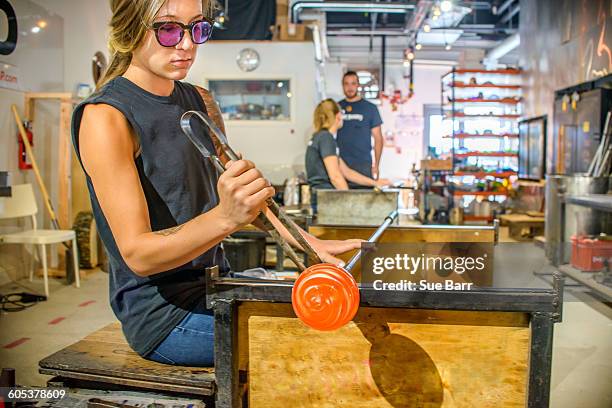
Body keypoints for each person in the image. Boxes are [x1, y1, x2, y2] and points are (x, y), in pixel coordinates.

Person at [72, 0, 361, 367]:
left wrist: (309, 244)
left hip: (216, 285)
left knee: (336, 317)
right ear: (129, 28)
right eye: (169, 29)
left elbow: (247, 198)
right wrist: (226, 217)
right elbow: (138, 254)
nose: (187, 45)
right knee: (319, 345)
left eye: (198, 28)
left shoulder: (199, 100)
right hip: (165, 316)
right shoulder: (106, 117)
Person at [305, 99, 390, 212]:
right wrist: (349, 204)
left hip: (323, 199)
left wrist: (376, 183)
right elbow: (335, 177)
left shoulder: (321, 137)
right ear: (338, 115)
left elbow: (347, 172)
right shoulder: (326, 138)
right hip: (326, 200)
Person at [337, 71, 384, 183]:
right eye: (346, 84)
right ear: (342, 86)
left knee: (364, 198)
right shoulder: (336, 108)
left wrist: (376, 165)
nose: (350, 87)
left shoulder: (370, 108)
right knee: (339, 199)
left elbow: (378, 139)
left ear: (358, 85)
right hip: (340, 163)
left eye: (353, 83)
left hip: (363, 164)